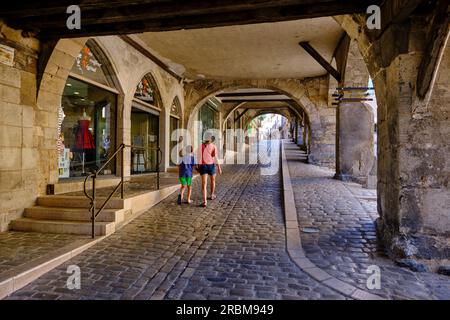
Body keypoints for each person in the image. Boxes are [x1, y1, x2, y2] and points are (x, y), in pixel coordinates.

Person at [198, 134, 222, 207]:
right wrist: (219, 167)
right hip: (211, 165)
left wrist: (198, 165)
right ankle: (212, 195)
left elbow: (199, 156)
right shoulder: (214, 146)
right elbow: (215, 157)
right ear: (211, 139)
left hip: (203, 165)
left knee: (204, 183)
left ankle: (205, 201)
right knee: (213, 181)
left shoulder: (201, 146)